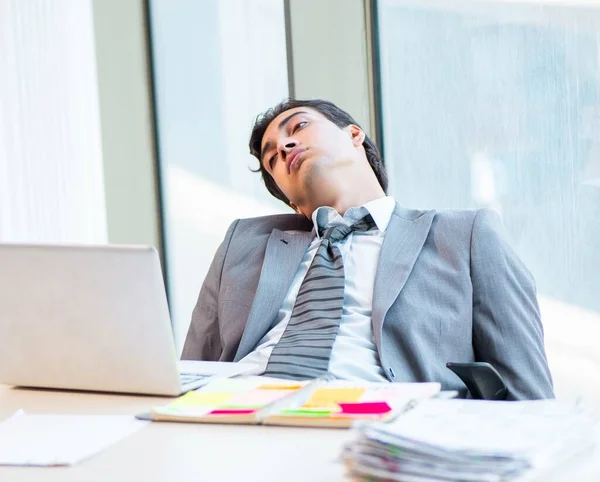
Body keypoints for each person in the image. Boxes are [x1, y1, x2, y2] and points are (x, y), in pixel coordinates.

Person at [182, 98, 554, 400]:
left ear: (354, 135)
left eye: (298, 127)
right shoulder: (244, 243)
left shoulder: (466, 234)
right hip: (242, 411)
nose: (284, 146)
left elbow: (528, 392)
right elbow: (189, 371)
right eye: (272, 158)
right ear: (292, 202)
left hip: (381, 418)